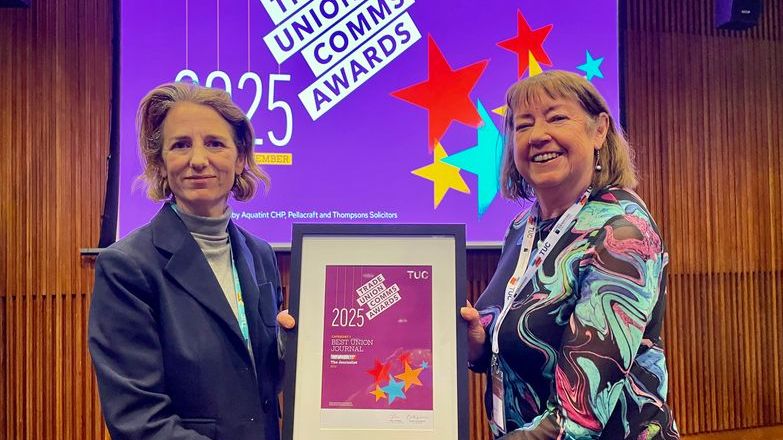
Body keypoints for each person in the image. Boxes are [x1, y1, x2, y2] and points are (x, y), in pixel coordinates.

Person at [461, 70, 679, 439]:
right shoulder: (522, 229)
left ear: (599, 130)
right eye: (523, 125)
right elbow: (515, 341)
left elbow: (579, 415)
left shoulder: (623, 234)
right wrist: (479, 341)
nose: (538, 136)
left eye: (557, 117)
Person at [88, 82, 294, 440]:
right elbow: (138, 420)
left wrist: (297, 347)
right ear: (161, 163)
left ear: (240, 157)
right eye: (181, 145)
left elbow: (260, 381)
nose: (198, 160)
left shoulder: (259, 254)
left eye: (215, 143)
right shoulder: (126, 267)